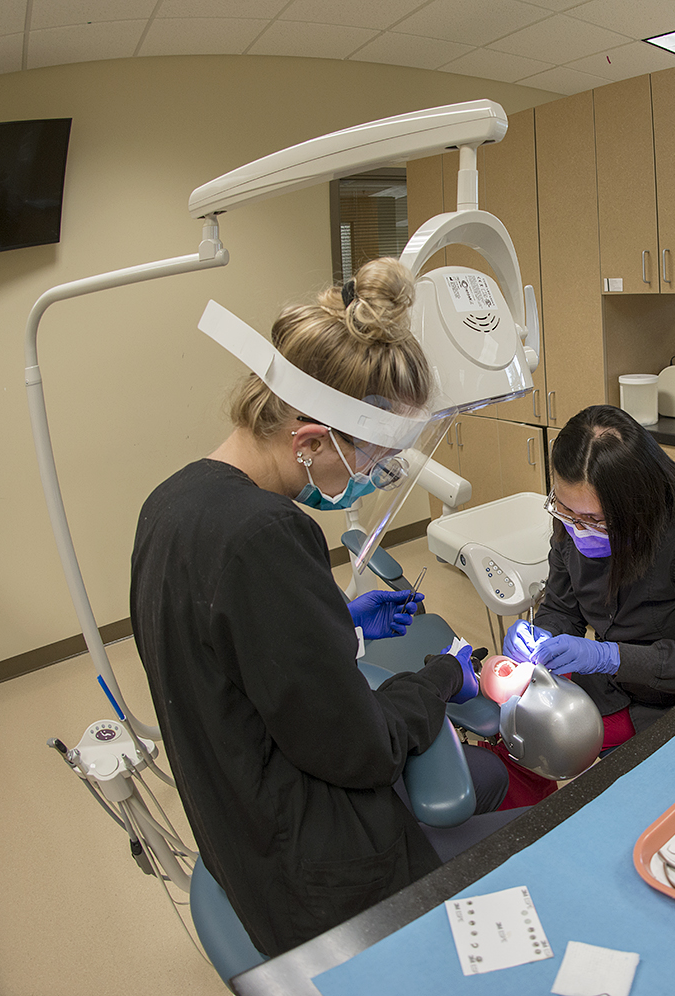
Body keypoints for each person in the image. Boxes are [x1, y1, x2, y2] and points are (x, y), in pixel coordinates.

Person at [130, 258, 507, 957]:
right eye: (369, 460)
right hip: (322, 882)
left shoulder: (174, 502)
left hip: (241, 834)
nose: (368, 480)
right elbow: (360, 749)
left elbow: (231, 654)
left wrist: (334, 623)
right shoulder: (270, 533)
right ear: (308, 441)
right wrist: (440, 679)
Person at [503, 405, 675, 746]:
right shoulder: (571, 524)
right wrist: (539, 635)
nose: (579, 529)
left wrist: (609, 656)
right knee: (526, 733)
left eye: (597, 520)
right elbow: (562, 608)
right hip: (621, 684)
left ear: (638, 502)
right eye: (566, 510)